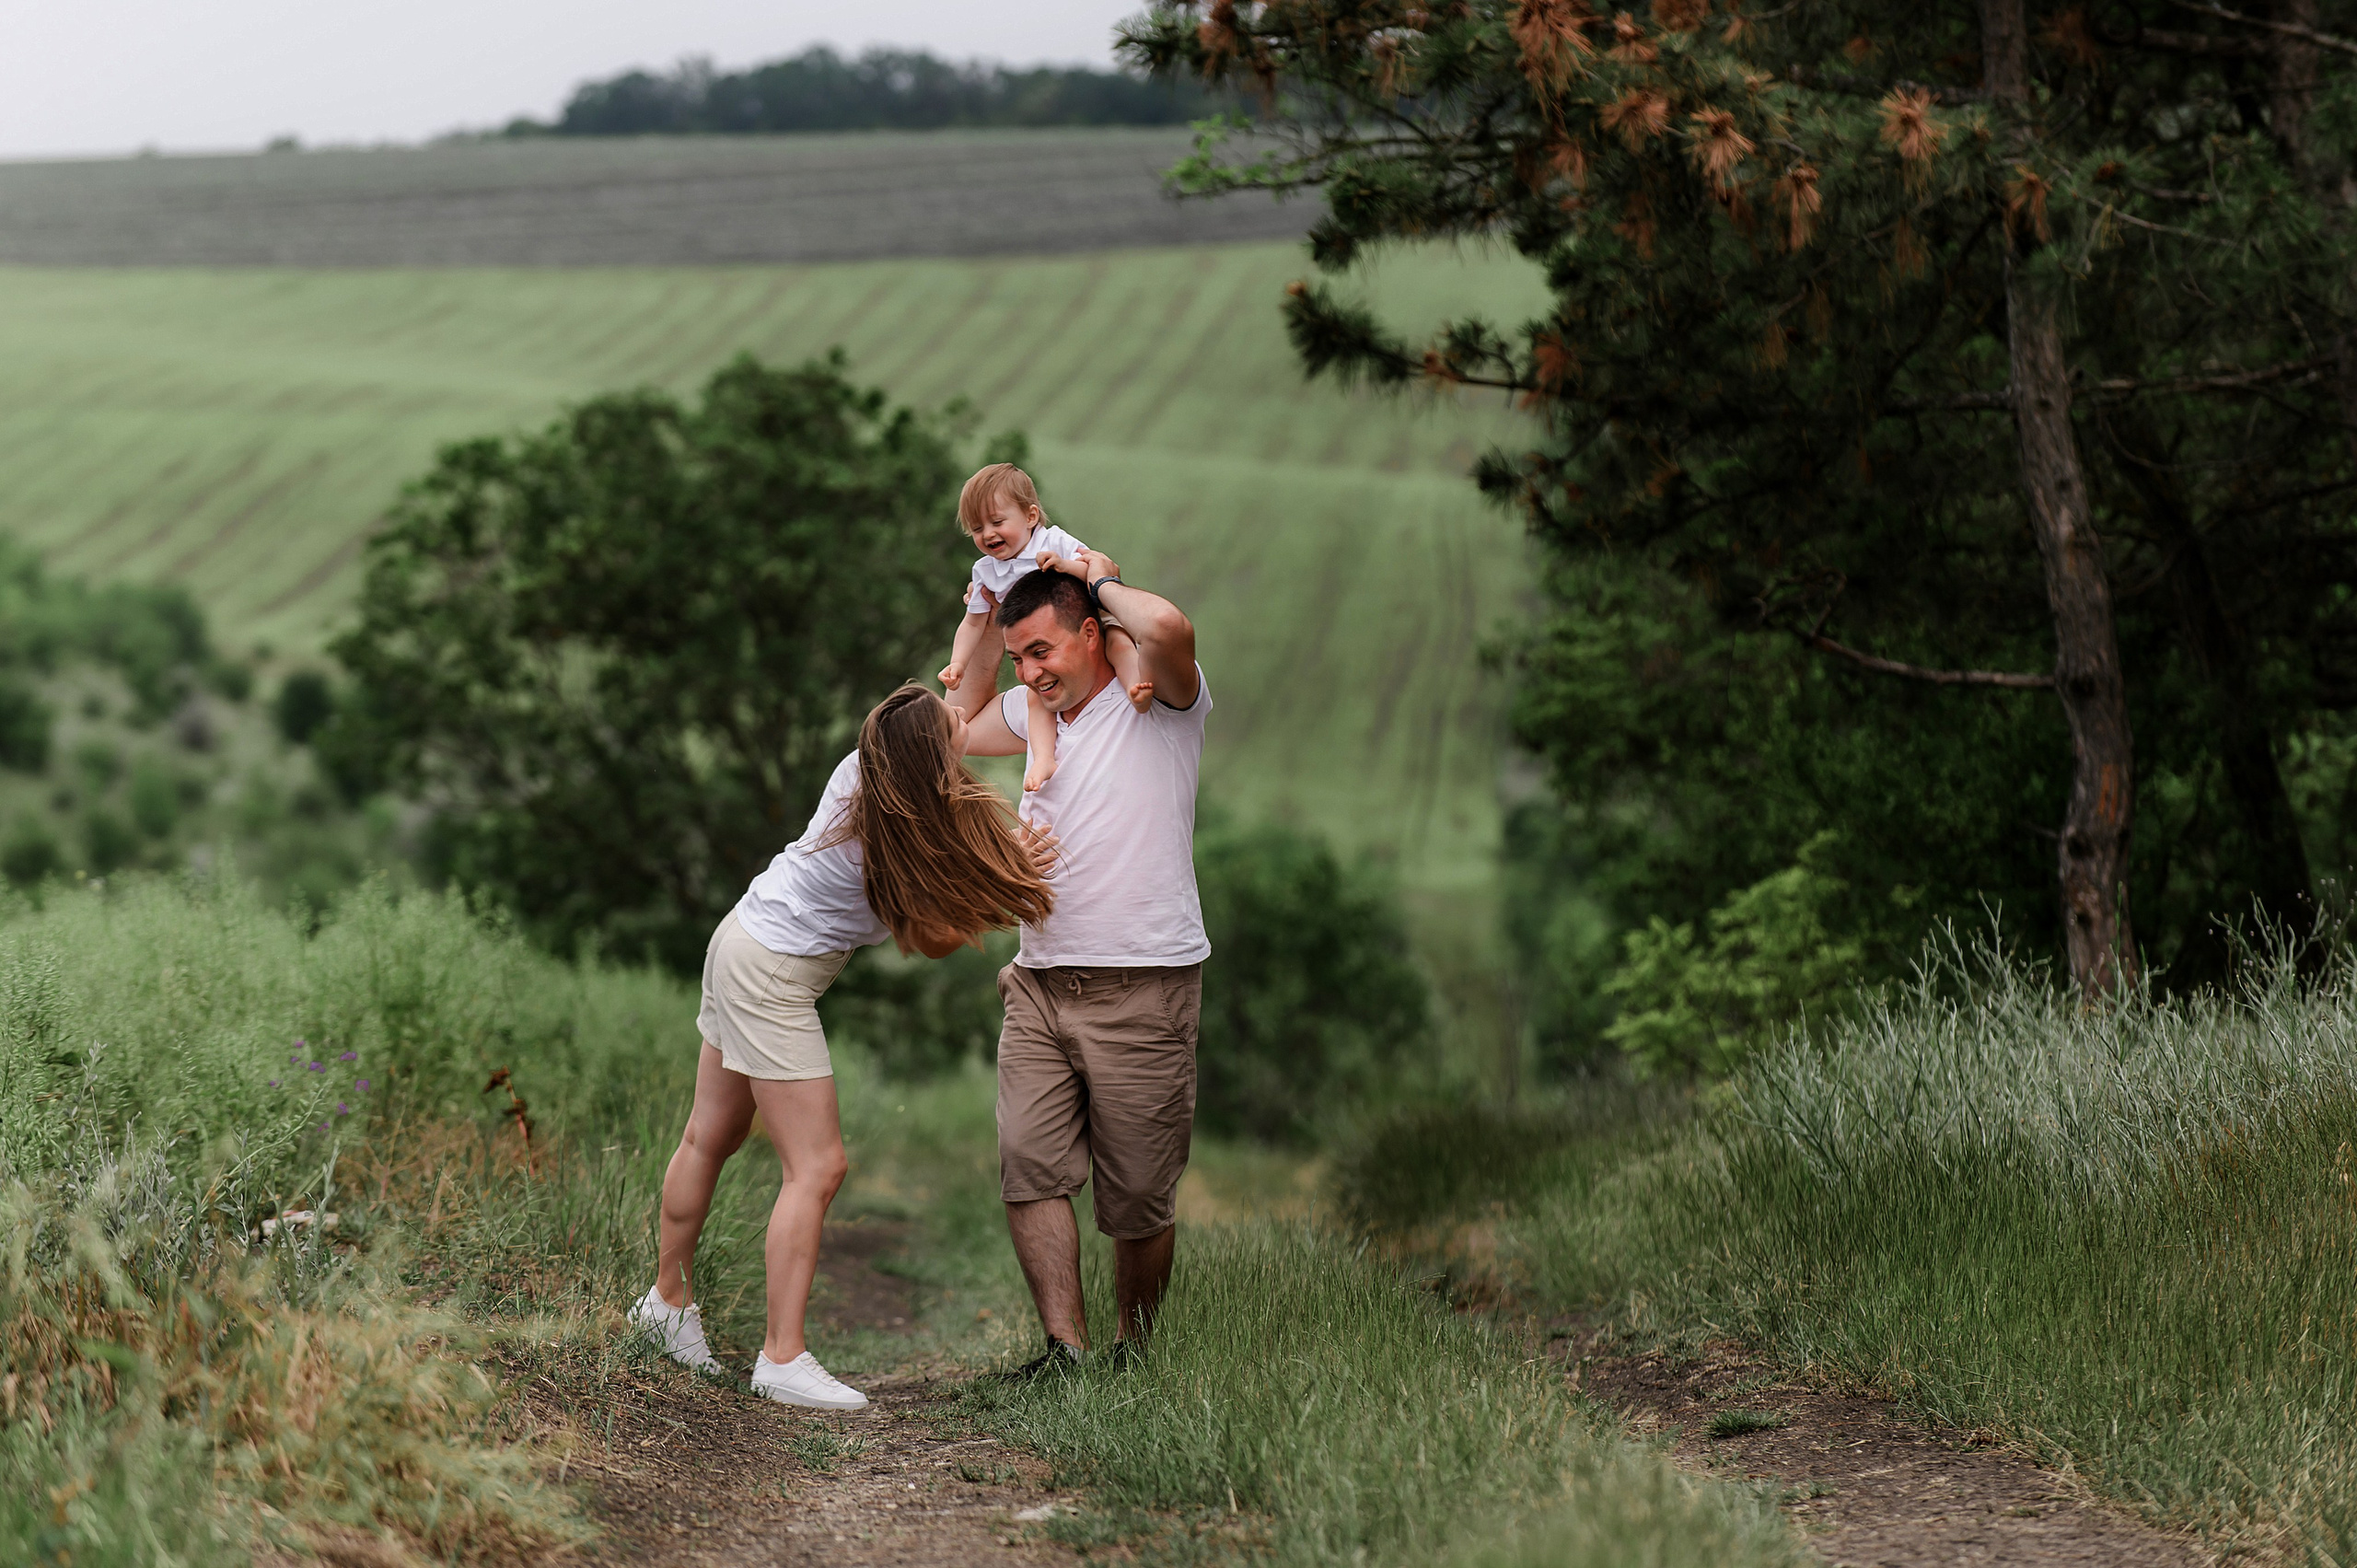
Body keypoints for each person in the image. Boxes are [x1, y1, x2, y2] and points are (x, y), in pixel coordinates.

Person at [630, 684, 1055, 1410]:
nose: (961, 713)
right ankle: (782, 1357)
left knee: (709, 1135)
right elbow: (932, 939)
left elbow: (950, 714)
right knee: (818, 1165)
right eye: (950, 720)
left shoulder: (873, 774)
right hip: (770, 973)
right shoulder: (899, 838)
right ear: (930, 759)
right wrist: (1003, 882)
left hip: (739, 938)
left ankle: (665, 1307)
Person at [961, 551, 1208, 1373]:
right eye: (1019, 657)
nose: (1031, 672)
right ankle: (1064, 1352)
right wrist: (983, 615)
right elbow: (952, 727)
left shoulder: (1158, 700)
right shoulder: (1034, 713)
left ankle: (1134, 1354)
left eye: (1043, 650)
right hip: (1038, 982)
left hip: (1144, 985)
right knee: (1028, 1167)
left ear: (1094, 635)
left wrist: (1097, 579)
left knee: (1138, 1196)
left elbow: (1167, 625)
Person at [936, 462, 1153, 795]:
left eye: (997, 522)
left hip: (1094, 612)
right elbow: (972, 622)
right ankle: (1043, 758)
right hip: (1057, 640)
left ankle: (1135, 685)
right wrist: (958, 664)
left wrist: (1064, 566)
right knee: (1035, 699)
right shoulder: (986, 571)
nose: (988, 534)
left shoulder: (1053, 542)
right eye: (977, 529)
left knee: (1119, 643)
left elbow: (1096, 572)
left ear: (1031, 516)